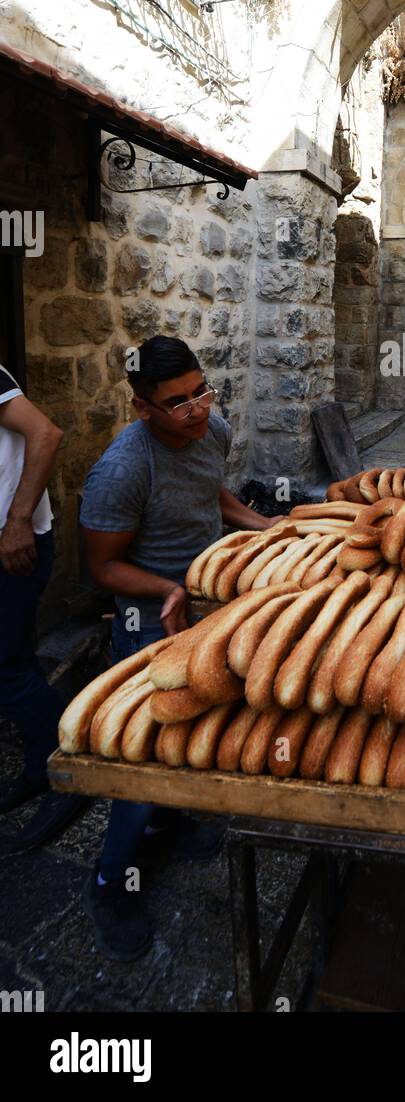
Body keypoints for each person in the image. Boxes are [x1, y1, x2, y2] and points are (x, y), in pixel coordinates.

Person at [78, 336, 275, 961]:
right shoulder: (123, 469)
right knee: (140, 758)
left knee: (194, 731)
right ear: (143, 409)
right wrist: (166, 588)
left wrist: (263, 524)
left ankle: (170, 819)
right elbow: (102, 567)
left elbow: (209, 493)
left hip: (202, 609)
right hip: (148, 622)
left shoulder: (208, 428)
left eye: (201, 392)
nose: (196, 410)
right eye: (177, 403)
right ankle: (111, 883)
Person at [0, 365, 86, 853]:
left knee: (6, 669)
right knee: (17, 657)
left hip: (13, 543)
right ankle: (41, 766)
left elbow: (45, 434)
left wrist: (16, 523)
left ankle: (70, 770)